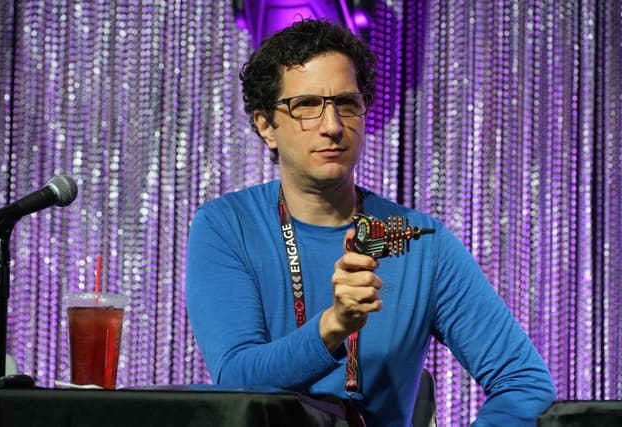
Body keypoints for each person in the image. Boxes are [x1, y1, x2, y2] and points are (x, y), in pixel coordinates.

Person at [185, 18, 556, 427]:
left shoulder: (421, 243)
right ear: (265, 125)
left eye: (346, 103)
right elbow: (236, 378)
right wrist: (333, 326)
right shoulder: (227, 226)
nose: (332, 126)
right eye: (305, 105)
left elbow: (524, 382)